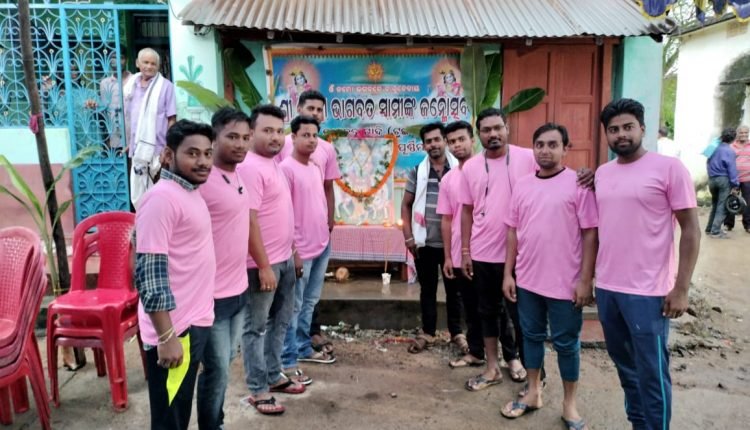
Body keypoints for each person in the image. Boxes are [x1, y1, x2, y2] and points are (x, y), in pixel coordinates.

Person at [595, 98, 700, 430]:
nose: (621, 135)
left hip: (649, 291)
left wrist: (681, 288)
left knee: (652, 373)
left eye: (628, 127)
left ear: (642, 128)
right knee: (625, 368)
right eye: (614, 130)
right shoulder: (602, 174)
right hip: (608, 288)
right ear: (606, 135)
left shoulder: (669, 169)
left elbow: (691, 230)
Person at [499, 123, 597, 430]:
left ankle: (569, 405)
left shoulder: (578, 184)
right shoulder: (523, 185)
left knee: (567, 344)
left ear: (565, 149)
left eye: (553, 144)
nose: (545, 150)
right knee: (531, 337)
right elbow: (512, 231)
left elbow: (590, 234)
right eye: (539, 144)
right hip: (527, 281)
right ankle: (533, 392)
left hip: (565, 285)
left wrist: (585, 280)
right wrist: (508, 274)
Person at [134, 119, 216, 430]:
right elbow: (149, 272)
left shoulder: (189, 191)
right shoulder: (161, 199)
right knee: (170, 420)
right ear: (169, 155)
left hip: (192, 323)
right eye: (193, 153)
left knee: (180, 410)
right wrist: (167, 337)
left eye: (207, 153)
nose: (203, 161)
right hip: (175, 330)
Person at [457, 108, 535, 390]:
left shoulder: (529, 158)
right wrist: (465, 251)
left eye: (497, 128)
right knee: (487, 313)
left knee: (523, 318)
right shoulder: (471, 167)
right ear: (479, 135)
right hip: (483, 254)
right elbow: (467, 210)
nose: (493, 134)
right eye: (486, 130)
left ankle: (533, 376)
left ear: (507, 127)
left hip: (523, 255)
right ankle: (492, 369)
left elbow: (556, 178)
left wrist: (586, 177)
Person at [238, 104, 304, 416]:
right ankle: (257, 388)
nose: (275, 137)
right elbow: (249, 220)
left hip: (284, 259)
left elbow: (281, 213)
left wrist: (293, 251)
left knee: (281, 320)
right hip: (262, 265)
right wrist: (264, 266)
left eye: (279, 131)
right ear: (251, 133)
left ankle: (274, 374)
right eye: (267, 130)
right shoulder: (249, 167)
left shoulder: (273, 163)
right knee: (255, 327)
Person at [196, 108, 251, 429]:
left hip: (238, 289)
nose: (240, 144)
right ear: (214, 139)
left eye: (245, 137)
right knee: (216, 370)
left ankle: (216, 418)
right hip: (211, 296)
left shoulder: (237, 173)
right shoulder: (202, 181)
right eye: (232, 137)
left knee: (226, 362)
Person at [276, 89, 341, 361]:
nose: (311, 139)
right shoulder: (285, 161)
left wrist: (329, 222)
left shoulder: (318, 160)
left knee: (310, 301)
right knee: (294, 303)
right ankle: (288, 354)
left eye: (314, 135)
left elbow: (326, 190)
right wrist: (292, 247)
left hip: (321, 241)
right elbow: (281, 207)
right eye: (306, 135)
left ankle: (302, 347)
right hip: (299, 245)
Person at [401, 122, 462, 353]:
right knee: (427, 290)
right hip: (424, 242)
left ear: (445, 140)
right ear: (424, 145)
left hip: (452, 243)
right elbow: (406, 205)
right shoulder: (417, 172)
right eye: (428, 141)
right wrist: (409, 237)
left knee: (454, 291)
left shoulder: (459, 170)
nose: (433, 144)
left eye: (437, 139)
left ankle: (457, 333)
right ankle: (428, 332)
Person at [436, 120, 485, 368]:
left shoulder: (488, 170)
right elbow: (446, 219)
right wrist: (448, 256)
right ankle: (477, 352)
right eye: (452, 141)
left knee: (495, 307)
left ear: (472, 140)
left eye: (461, 139)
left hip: (488, 251)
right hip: (459, 252)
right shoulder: (448, 180)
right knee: (470, 305)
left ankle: (511, 356)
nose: (457, 145)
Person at [124, 47, 177, 207]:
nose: (149, 66)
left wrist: (168, 147)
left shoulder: (166, 87)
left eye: (153, 64)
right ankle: (143, 218)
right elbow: (129, 117)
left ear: (158, 66)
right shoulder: (130, 86)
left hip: (158, 148)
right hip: (136, 148)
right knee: (139, 188)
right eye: (145, 62)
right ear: (137, 63)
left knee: (158, 192)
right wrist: (129, 142)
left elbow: (172, 119)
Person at [706, 127, 739, 238]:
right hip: (723, 180)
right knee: (722, 206)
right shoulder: (730, 151)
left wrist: (711, 175)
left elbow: (708, 163)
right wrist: (735, 184)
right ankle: (715, 231)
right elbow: (732, 169)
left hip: (712, 179)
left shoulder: (713, 149)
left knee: (715, 204)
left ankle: (709, 228)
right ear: (733, 139)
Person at [99, 48, 132, 149]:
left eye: (120, 58)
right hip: (115, 135)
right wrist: (106, 138)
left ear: (126, 60)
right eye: (113, 58)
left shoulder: (134, 80)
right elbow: (104, 112)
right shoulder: (105, 83)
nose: (117, 61)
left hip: (133, 135)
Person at [725, 125, 750, 232]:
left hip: (747, 178)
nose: (744, 135)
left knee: (747, 202)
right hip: (733, 178)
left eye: (746, 133)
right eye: (741, 133)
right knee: (731, 200)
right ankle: (728, 224)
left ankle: (748, 225)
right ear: (737, 134)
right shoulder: (731, 146)